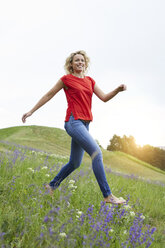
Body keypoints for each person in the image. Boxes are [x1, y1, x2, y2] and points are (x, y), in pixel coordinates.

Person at [22, 50, 127, 204]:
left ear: (86, 63)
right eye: (76, 60)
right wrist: (31, 111)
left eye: (82, 60)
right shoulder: (66, 79)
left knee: (75, 163)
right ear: (71, 64)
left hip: (85, 124)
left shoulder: (90, 81)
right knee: (96, 152)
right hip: (73, 122)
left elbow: (104, 98)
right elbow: (49, 95)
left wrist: (117, 90)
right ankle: (108, 195)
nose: (80, 63)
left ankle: (51, 186)